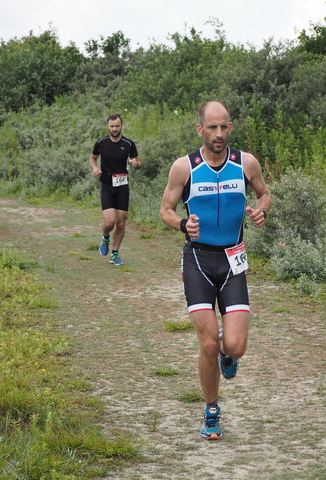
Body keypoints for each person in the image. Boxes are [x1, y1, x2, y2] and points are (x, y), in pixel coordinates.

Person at [160, 101, 271, 440]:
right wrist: (182, 224)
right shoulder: (185, 168)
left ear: (230, 127)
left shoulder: (246, 163)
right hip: (198, 261)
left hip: (232, 261)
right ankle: (211, 411)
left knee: (234, 346)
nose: (219, 134)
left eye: (224, 127)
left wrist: (259, 211)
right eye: (212, 128)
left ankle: (228, 355)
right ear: (200, 130)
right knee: (208, 344)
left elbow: (265, 195)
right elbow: (165, 209)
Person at [89, 113, 141, 265]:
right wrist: (95, 168)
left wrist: (136, 164)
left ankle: (115, 253)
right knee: (110, 222)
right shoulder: (101, 143)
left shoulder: (129, 144)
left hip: (123, 186)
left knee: (121, 223)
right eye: (112, 126)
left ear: (121, 125)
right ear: (108, 126)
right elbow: (92, 158)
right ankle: (105, 237)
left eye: (117, 126)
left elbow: (137, 161)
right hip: (107, 185)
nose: (115, 128)